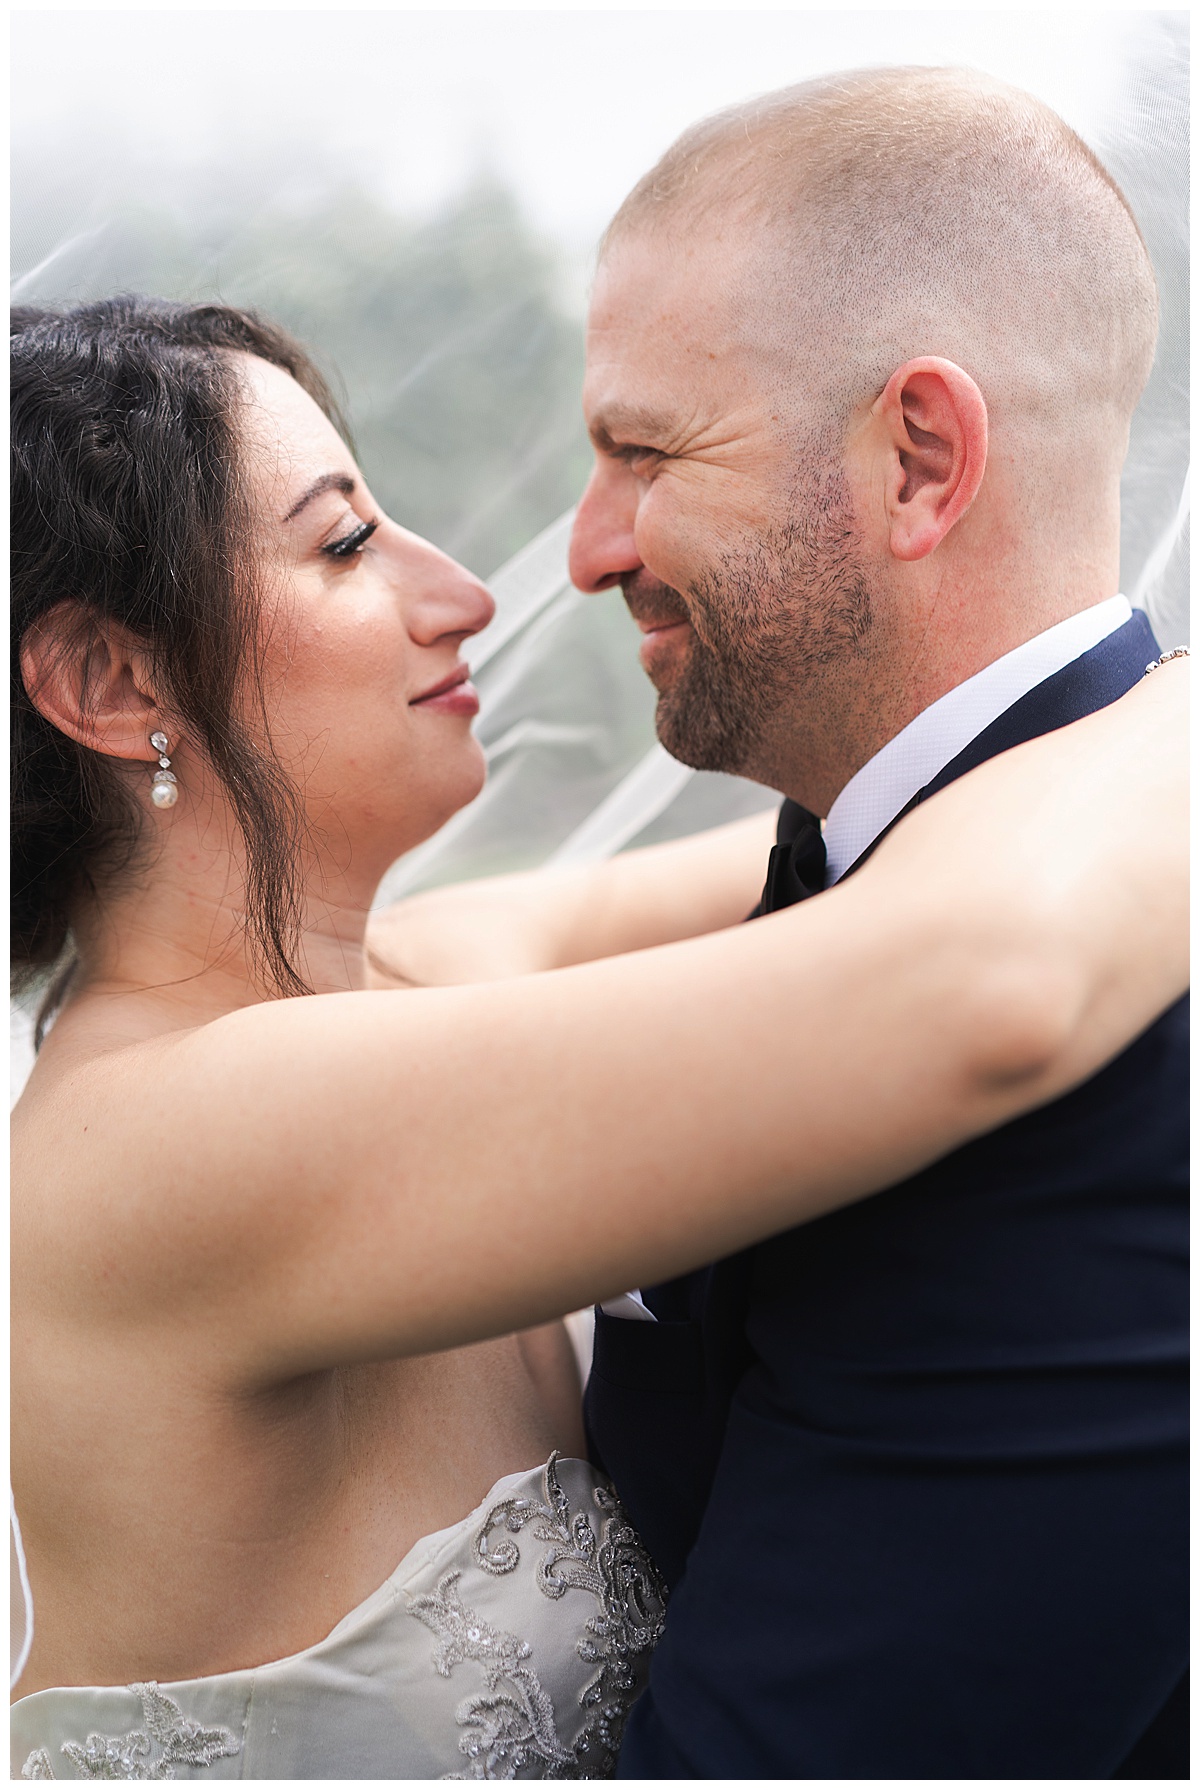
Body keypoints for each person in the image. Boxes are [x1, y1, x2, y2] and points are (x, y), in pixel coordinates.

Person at [7, 293, 1185, 1782]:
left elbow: (897, 833)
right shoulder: (163, 1141)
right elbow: (982, 971)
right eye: (346, 545)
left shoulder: (416, 980)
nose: (466, 595)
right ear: (113, 685)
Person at [545, 67, 1188, 1778]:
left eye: (644, 451)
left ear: (920, 458)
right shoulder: (863, 854)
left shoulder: (1104, 1096)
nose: (585, 552)